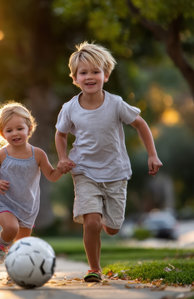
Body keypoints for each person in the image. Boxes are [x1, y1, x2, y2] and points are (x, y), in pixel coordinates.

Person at [55, 42, 163, 282]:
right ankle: (94, 268)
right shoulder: (70, 108)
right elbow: (61, 134)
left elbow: (141, 124)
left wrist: (152, 154)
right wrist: (63, 158)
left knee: (112, 228)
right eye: (83, 72)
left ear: (106, 75)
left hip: (115, 172)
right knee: (91, 221)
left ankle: (104, 217)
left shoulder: (116, 104)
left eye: (95, 71)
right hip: (84, 171)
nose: (90, 76)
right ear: (75, 78)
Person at [0, 102, 69, 264]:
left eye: (19, 128)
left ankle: (15, 269)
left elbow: (51, 176)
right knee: (11, 228)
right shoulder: (2, 155)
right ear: (2, 134)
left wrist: (61, 169)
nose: (15, 133)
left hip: (27, 204)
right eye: (9, 130)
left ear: (29, 129)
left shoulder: (38, 154)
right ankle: (1, 246)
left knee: (21, 245)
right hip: (5, 201)